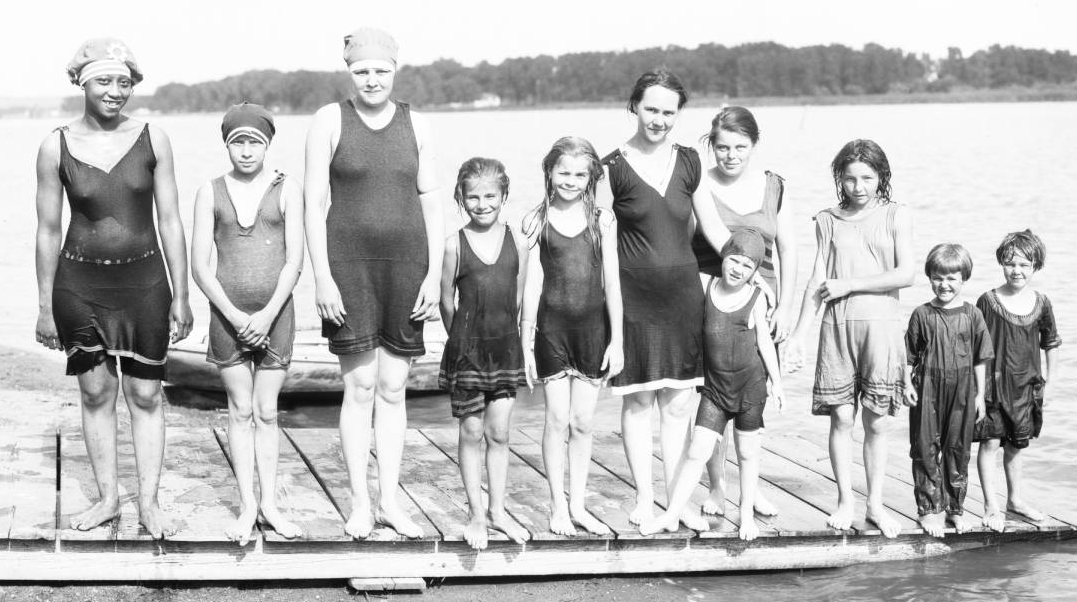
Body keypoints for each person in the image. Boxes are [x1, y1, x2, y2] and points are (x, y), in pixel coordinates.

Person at [34, 39, 192, 538]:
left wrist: (182, 293)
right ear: (82, 83)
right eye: (104, 81)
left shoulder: (153, 139)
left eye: (124, 82)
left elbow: (170, 220)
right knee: (96, 391)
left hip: (145, 283)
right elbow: (46, 230)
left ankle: (148, 503)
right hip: (78, 284)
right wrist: (43, 307)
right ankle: (107, 499)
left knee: (145, 394)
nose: (115, 91)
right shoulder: (54, 146)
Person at [303, 28, 443, 539]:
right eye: (362, 70)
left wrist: (433, 272)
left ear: (395, 70)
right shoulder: (328, 121)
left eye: (381, 70)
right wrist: (322, 276)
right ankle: (360, 504)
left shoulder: (418, 124)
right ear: (349, 71)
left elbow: (431, 200)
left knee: (393, 385)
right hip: (348, 268)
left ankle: (391, 501)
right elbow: (314, 205)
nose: (372, 79)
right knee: (359, 384)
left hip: (406, 267)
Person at [598, 69, 732, 528]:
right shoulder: (610, 168)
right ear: (633, 106)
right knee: (637, 402)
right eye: (651, 109)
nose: (659, 119)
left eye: (668, 112)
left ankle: (677, 501)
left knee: (677, 406)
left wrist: (751, 272)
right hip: (633, 300)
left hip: (682, 299)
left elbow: (713, 228)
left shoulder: (691, 162)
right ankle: (643, 496)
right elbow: (600, 241)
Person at [785, 139, 914, 538]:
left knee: (877, 423)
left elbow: (906, 274)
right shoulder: (827, 219)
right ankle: (845, 499)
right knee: (841, 417)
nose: (858, 186)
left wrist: (851, 285)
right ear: (839, 178)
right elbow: (817, 281)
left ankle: (875, 503)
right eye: (850, 178)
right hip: (836, 330)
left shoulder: (896, 215)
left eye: (867, 178)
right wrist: (798, 335)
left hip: (882, 330)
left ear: (881, 178)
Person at [190, 103, 305, 544]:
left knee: (267, 410)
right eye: (238, 141)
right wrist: (237, 316)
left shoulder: (287, 189)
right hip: (227, 316)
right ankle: (246, 506)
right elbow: (201, 266)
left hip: (276, 316)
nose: (246, 150)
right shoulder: (209, 191)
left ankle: (271, 505)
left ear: (268, 143)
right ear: (226, 145)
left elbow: (295, 260)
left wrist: (268, 312)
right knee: (239, 410)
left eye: (254, 141)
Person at [641, 230, 785, 540]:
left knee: (748, 455)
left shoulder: (755, 297)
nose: (737, 269)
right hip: (715, 392)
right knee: (697, 452)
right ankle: (671, 515)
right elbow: (678, 272)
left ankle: (746, 517)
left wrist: (777, 381)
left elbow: (764, 341)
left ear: (755, 272)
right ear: (723, 257)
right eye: (733, 260)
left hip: (750, 390)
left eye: (747, 266)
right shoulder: (707, 286)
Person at [691, 105, 795, 518]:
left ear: (754, 145)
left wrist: (784, 306)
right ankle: (717, 488)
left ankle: (751, 490)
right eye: (722, 146)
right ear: (711, 146)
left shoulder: (774, 186)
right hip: (713, 306)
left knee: (754, 398)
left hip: (762, 308)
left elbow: (788, 249)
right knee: (713, 399)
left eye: (740, 146)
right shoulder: (699, 184)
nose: (730, 155)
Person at [522, 137, 623, 536]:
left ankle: (579, 505)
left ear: (591, 176)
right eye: (563, 172)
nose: (571, 180)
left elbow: (612, 283)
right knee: (557, 419)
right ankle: (556, 506)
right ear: (549, 171)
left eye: (580, 174)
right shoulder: (537, 220)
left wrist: (618, 340)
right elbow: (532, 284)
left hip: (593, 332)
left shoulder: (604, 220)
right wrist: (527, 340)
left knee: (582, 422)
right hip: (551, 331)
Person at [438, 157, 530, 550]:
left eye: (490, 195)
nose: (482, 203)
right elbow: (446, 302)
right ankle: (476, 513)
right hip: (467, 351)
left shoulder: (519, 242)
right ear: (461, 197)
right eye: (472, 196)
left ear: (503, 195)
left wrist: (516, 340)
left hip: (505, 349)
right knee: (472, 430)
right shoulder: (453, 245)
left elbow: (520, 296)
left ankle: (498, 510)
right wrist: (461, 342)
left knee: (499, 432)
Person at [903, 243, 993, 537]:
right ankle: (929, 510)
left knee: (958, 450)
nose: (944, 284)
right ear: (929, 277)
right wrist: (906, 384)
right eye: (938, 277)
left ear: (964, 279)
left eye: (951, 278)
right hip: (927, 389)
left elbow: (982, 359)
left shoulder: (972, 315)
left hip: (963, 392)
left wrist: (980, 396)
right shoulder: (921, 314)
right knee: (925, 449)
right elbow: (909, 357)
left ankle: (954, 509)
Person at [974, 230, 1060, 532]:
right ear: (1001, 264)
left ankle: (1015, 499)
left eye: (1024, 264)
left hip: (1027, 387)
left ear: (1036, 266)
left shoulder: (1042, 303)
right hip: (994, 387)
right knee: (990, 442)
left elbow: (1051, 344)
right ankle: (990, 505)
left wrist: (1051, 383)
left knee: (1016, 447)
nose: (1017, 270)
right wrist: (976, 390)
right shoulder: (988, 301)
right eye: (1011, 264)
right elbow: (976, 348)